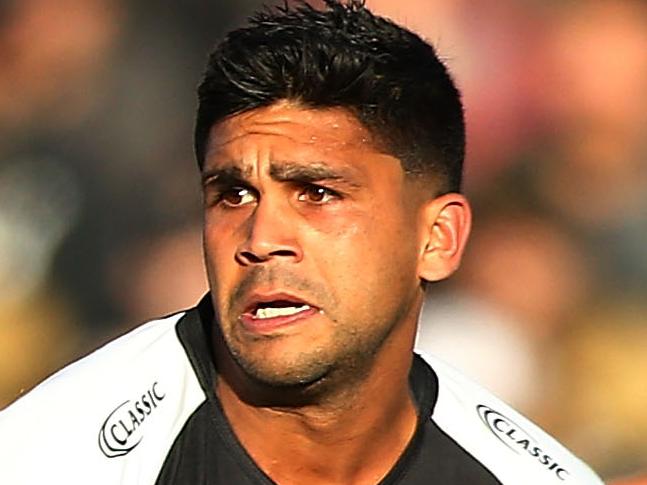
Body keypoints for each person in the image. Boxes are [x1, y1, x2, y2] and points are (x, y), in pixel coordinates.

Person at [0, 1, 604, 484]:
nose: (261, 239)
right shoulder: (51, 459)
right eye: (233, 195)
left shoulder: (517, 472)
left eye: (317, 194)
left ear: (438, 238)